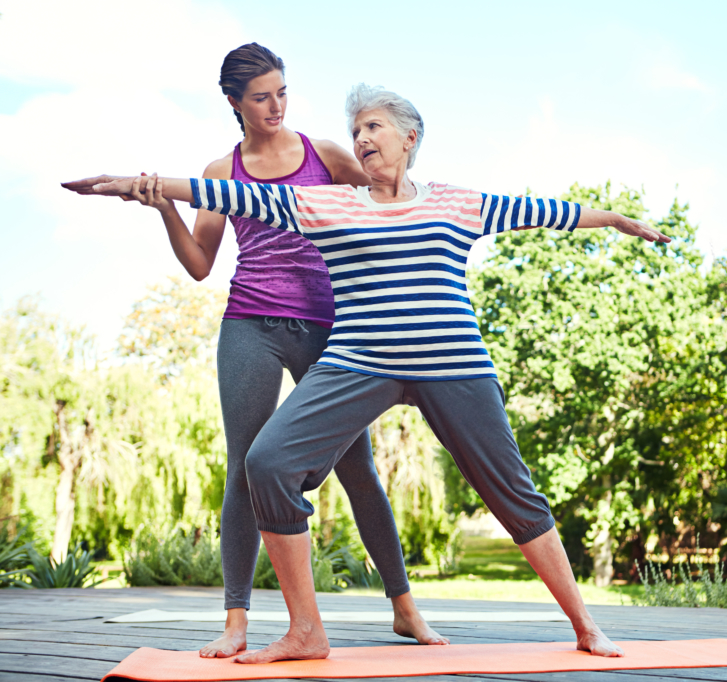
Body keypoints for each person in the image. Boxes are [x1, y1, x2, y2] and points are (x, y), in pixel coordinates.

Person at [63, 83, 670, 664]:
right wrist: (137, 185)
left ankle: (586, 625)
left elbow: (547, 211)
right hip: (359, 362)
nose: (361, 140)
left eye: (374, 127)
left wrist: (615, 219)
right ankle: (306, 631)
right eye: (356, 131)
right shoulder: (328, 205)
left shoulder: (457, 202)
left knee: (511, 492)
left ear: (410, 137)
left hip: (454, 364)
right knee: (267, 463)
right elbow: (227, 195)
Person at [62, 48, 446, 658]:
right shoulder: (222, 170)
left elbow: (388, 201)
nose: (277, 106)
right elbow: (198, 265)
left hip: (328, 324)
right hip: (250, 323)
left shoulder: (326, 155)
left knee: (358, 470)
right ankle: (237, 619)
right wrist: (166, 207)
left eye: (283, 92)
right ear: (236, 103)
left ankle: (404, 608)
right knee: (245, 463)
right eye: (262, 96)